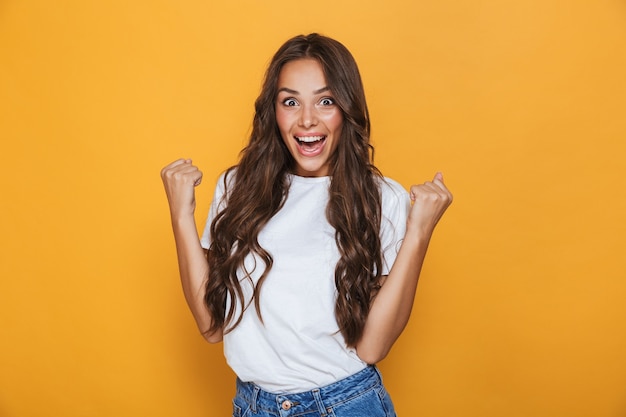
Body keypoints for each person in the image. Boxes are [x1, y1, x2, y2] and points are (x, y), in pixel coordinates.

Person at [161, 33, 452, 417]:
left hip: (344, 404)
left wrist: (419, 233)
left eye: (325, 101)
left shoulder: (382, 198)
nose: (308, 119)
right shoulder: (237, 188)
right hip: (252, 406)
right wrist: (181, 216)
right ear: (274, 111)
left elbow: (373, 347)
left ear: (347, 109)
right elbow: (212, 325)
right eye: (291, 102)